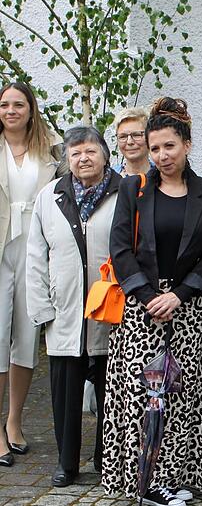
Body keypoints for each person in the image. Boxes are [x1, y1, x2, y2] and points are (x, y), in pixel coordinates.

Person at [103, 97, 202, 506]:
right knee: (145, 396)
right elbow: (120, 248)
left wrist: (180, 294)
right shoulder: (133, 188)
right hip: (142, 312)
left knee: (182, 394)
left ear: (187, 144)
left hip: (188, 310)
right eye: (155, 148)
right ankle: (146, 480)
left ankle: (172, 474)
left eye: (169, 146)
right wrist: (149, 296)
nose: (161, 155)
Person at [26, 126, 120, 486]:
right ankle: (67, 461)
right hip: (64, 309)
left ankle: (105, 457)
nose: (83, 158)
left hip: (110, 311)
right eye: (75, 152)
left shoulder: (123, 191)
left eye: (91, 151)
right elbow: (36, 255)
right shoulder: (50, 196)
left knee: (111, 393)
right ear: (66, 158)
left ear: (105, 154)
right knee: (64, 394)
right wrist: (42, 308)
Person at [0, 82, 62, 466]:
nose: (10, 110)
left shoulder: (50, 150)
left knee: (26, 337)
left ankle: (14, 421)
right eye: (4, 104)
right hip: (0, 248)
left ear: (31, 108)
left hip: (35, 252)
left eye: (18, 104)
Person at [111, 107, 153, 177]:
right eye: (123, 136)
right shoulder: (110, 178)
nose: (129, 142)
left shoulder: (163, 176)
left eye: (136, 135)